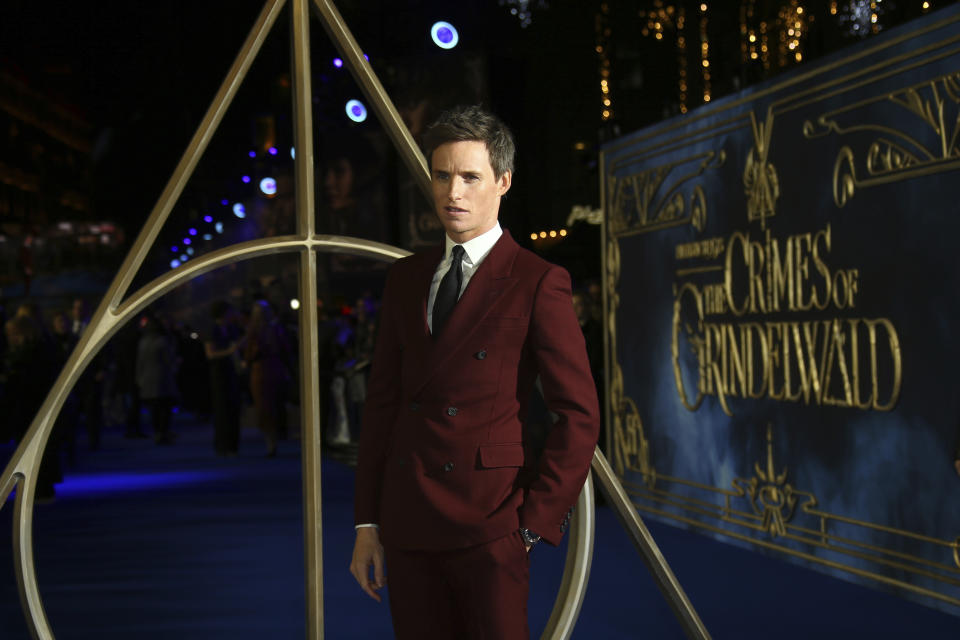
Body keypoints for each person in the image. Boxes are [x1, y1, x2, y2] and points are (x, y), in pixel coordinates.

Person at [350, 105, 600, 639]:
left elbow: (578, 414)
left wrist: (533, 524)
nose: (452, 193)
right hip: (409, 522)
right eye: (442, 176)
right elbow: (383, 407)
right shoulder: (406, 279)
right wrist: (367, 523)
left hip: (491, 525)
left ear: (502, 182)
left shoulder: (537, 280)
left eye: (469, 177)